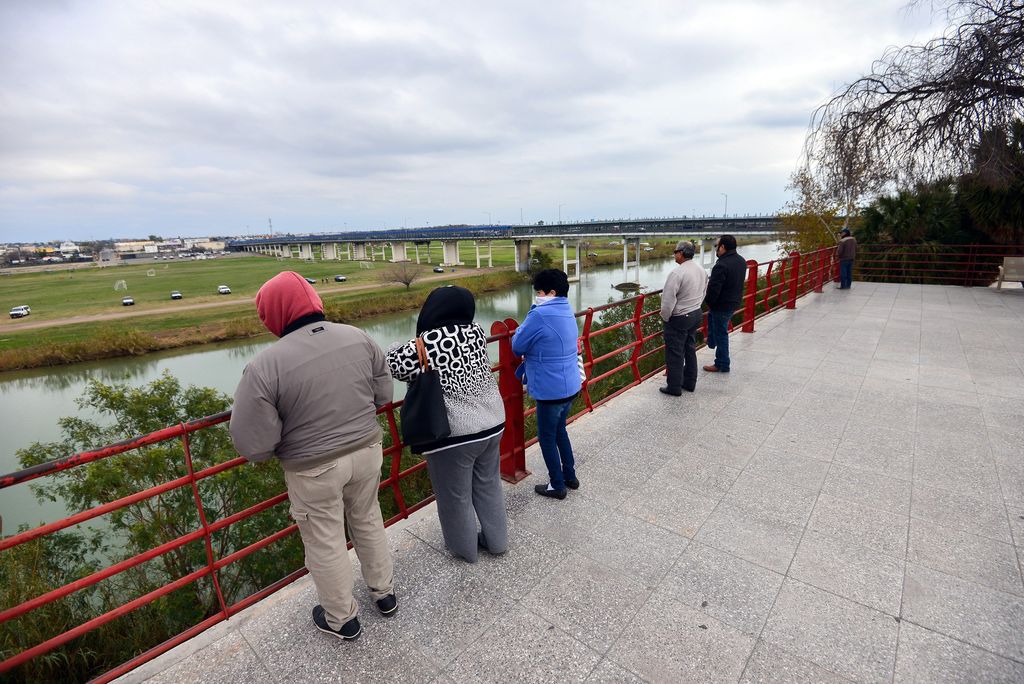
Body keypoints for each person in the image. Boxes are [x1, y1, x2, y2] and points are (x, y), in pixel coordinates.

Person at [229, 271, 395, 643]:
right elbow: (383, 394)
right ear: (313, 300)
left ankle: (341, 618)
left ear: (273, 314)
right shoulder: (358, 336)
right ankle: (384, 594)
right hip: (367, 449)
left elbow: (254, 443)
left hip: (313, 467)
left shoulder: (264, 366)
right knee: (368, 518)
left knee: (325, 540)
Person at [386, 286, 508, 563]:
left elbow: (393, 364)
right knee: (489, 485)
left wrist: (397, 345)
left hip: (454, 433)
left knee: (455, 496)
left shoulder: (426, 342)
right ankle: (497, 542)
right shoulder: (476, 332)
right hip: (493, 422)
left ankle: (465, 551)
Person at [512, 269, 582, 500]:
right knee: (560, 430)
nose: (537, 296)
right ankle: (570, 476)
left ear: (551, 292)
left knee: (547, 437)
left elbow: (517, 345)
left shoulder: (540, 314)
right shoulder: (567, 309)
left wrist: (531, 315)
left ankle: (557, 485)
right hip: (570, 385)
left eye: (539, 292)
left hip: (551, 390)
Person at [660, 241, 709, 394]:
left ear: (681, 253)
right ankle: (690, 383)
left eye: (675, 252)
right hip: (696, 313)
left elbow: (668, 300)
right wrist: (695, 306)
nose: (674, 254)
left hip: (680, 317)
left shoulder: (677, 273)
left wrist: (666, 318)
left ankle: (674, 387)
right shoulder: (701, 270)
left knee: (675, 353)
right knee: (690, 349)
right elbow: (704, 292)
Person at [703, 235, 746, 373]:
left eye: (717, 246)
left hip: (722, 304)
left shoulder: (721, 265)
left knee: (721, 333)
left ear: (722, 247)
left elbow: (714, 288)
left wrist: (708, 302)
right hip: (734, 302)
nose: (716, 249)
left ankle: (722, 364)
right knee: (716, 324)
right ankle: (711, 341)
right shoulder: (741, 261)